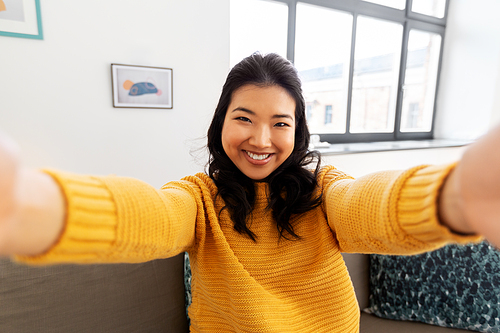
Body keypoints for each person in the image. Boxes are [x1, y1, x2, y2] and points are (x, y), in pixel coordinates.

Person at [0, 52, 499, 332]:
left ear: (297, 133)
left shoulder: (325, 191)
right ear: (221, 124)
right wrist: (30, 203)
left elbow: (368, 207)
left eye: (280, 124)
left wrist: (454, 194)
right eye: (244, 119)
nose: (261, 140)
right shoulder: (197, 198)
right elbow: (149, 216)